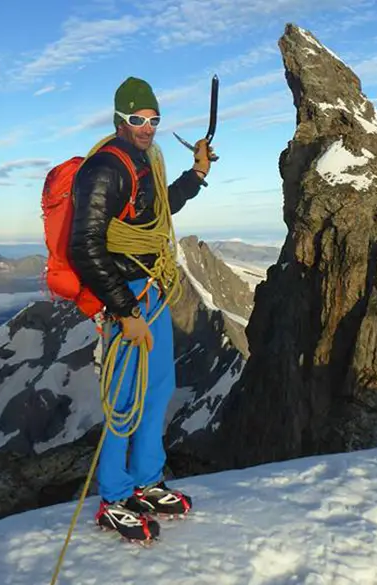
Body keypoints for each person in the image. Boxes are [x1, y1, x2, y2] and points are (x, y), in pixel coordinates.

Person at [67, 76, 214, 542]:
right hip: (127, 295)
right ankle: (113, 495)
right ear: (119, 120)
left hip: (149, 290)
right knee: (125, 399)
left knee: (158, 388)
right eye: (137, 119)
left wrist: (197, 175)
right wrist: (124, 310)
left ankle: (147, 480)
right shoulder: (105, 169)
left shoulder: (141, 160)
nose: (147, 127)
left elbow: (158, 212)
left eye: (153, 120)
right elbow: (84, 246)